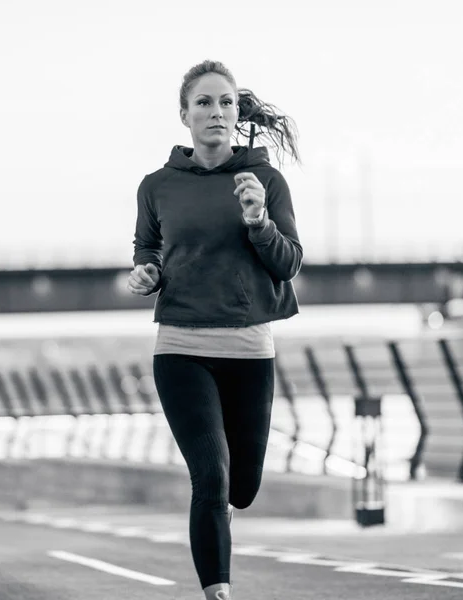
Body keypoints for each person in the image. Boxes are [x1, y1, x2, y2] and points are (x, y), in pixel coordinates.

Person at [128, 59, 302, 600]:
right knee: (211, 475)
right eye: (203, 102)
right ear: (184, 116)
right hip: (181, 347)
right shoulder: (157, 187)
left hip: (250, 350)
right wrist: (146, 272)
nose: (216, 112)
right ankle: (218, 591)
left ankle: (224, 508)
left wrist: (258, 221)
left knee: (242, 487)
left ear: (236, 113)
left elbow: (288, 263)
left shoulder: (266, 181)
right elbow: (147, 250)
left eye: (225, 102)